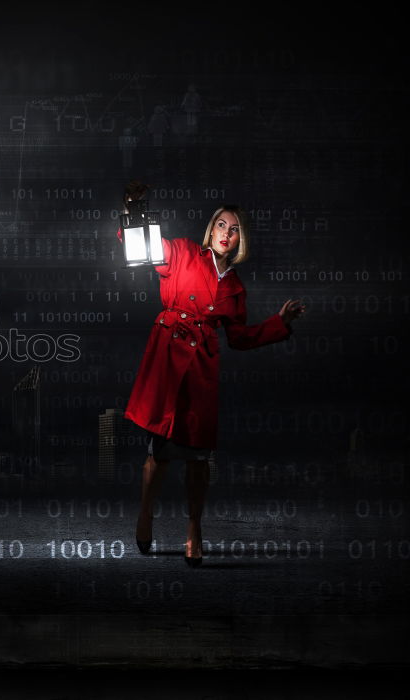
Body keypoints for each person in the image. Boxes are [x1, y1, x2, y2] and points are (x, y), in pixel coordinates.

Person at [117, 186, 305, 566]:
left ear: (240, 240)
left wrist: (278, 324)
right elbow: (143, 246)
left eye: (233, 229)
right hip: (169, 360)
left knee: (198, 458)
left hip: (201, 368)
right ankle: (145, 512)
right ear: (211, 229)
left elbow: (239, 338)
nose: (225, 233)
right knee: (160, 452)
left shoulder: (235, 288)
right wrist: (134, 209)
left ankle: (193, 529)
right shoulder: (185, 252)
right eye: (221, 224)